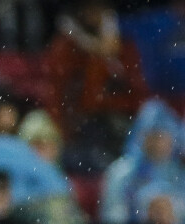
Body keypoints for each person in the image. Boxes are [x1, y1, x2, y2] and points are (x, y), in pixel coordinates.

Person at [46, 0, 150, 170]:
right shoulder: (66, 48)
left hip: (121, 118)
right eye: (90, 10)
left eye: (99, 10)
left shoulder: (124, 45)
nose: (94, 16)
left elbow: (137, 89)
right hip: (84, 123)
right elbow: (67, 94)